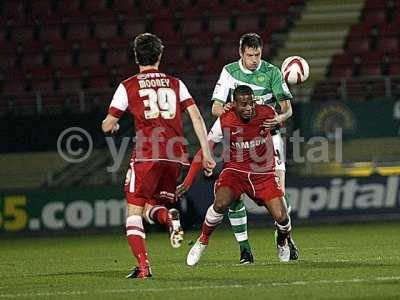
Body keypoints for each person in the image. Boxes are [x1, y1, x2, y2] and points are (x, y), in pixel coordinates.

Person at [102, 33, 215, 279]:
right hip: (175, 156)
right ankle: (168, 217)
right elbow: (196, 117)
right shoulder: (176, 83)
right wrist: (206, 153)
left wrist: (112, 126)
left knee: (133, 212)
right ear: (160, 56)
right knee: (149, 207)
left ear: (135, 57)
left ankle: (144, 266)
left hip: (147, 154)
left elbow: (107, 124)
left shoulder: (128, 85)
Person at [181, 85, 296, 266]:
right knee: (220, 203)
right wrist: (188, 180)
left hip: (263, 173)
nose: (249, 108)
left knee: (283, 218)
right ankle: (202, 240)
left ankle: (281, 242)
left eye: (251, 103)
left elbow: (284, 118)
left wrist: (279, 119)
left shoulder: (266, 112)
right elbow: (206, 147)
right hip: (235, 171)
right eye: (243, 104)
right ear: (234, 104)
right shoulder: (225, 119)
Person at [210, 32, 298, 263]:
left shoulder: (272, 72)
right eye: (250, 55)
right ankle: (245, 250)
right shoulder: (229, 72)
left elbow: (287, 109)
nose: (254, 60)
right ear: (241, 53)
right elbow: (215, 109)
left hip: (270, 138)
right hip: (239, 141)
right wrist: (229, 110)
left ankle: (284, 238)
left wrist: (278, 119)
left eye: (257, 54)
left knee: (279, 192)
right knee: (234, 197)